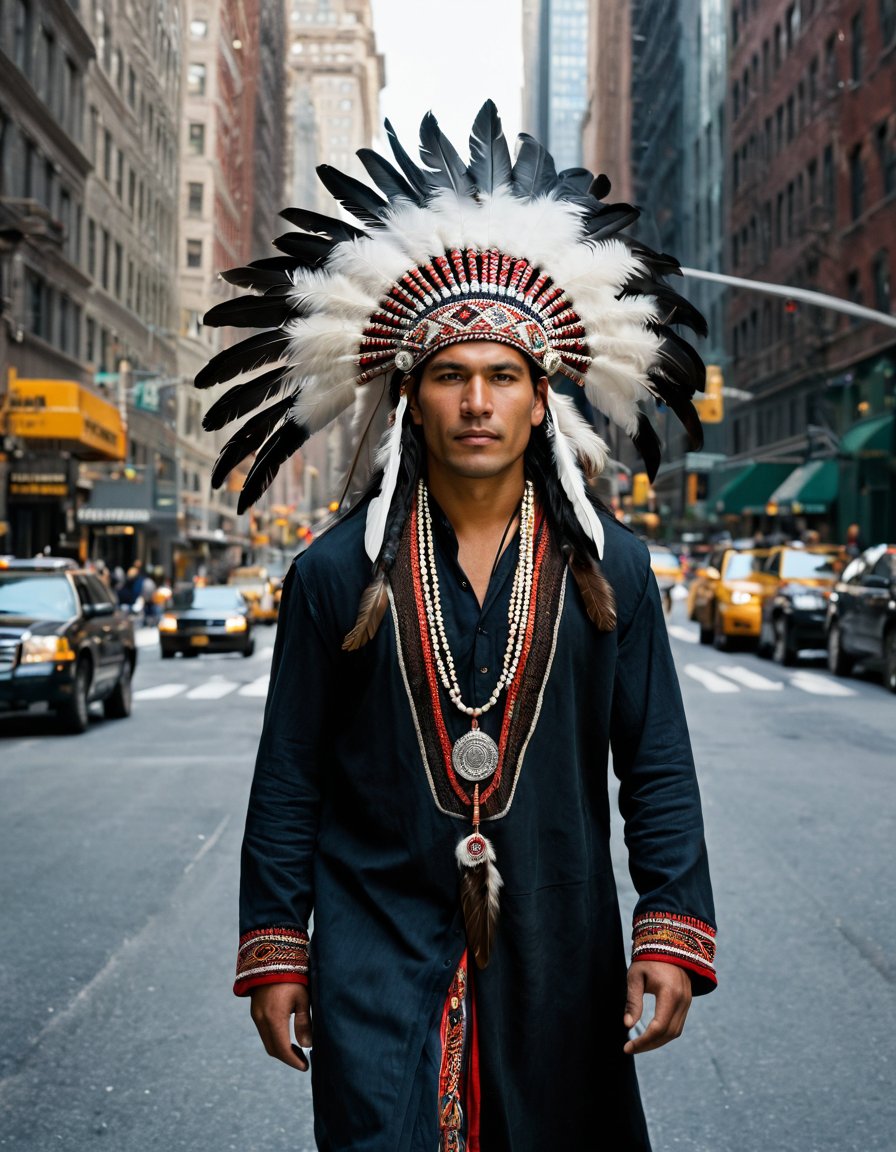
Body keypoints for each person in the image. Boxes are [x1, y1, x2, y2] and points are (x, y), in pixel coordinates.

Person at [197, 102, 716, 1151]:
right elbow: (290, 774)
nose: (474, 400)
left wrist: (667, 930)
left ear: (539, 400)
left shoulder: (608, 569)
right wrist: (277, 948)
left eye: (500, 376)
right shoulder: (333, 573)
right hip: (374, 952)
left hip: (558, 952)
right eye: (448, 375)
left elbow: (652, 761)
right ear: (409, 399)